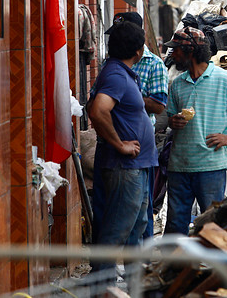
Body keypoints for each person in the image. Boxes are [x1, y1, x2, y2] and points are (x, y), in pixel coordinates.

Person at [163, 26, 227, 235]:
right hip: (179, 165)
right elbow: (170, 118)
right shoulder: (178, 83)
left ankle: (212, 267)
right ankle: (174, 267)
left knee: (212, 223)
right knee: (175, 224)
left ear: (190, 52)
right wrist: (174, 121)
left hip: (210, 167)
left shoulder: (223, 79)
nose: (173, 55)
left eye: (177, 50)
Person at [87, 20, 158, 273]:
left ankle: (134, 285)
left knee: (135, 229)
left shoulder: (119, 72)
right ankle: (99, 288)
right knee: (116, 231)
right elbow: (97, 110)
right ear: (138, 51)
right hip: (125, 167)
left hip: (136, 166)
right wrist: (119, 144)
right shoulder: (116, 75)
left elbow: (91, 106)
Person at [107, 12, 169, 239]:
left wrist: (128, 96)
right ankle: (107, 270)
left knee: (141, 213)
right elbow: (98, 109)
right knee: (122, 216)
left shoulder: (153, 64)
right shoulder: (114, 69)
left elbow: (159, 106)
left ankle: (137, 268)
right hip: (120, 147)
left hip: (140, 149)